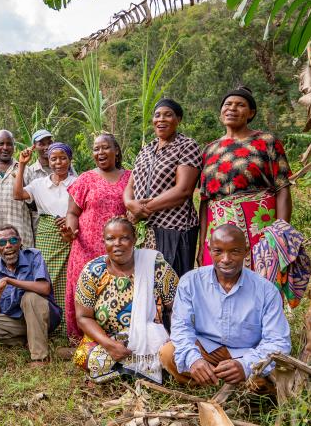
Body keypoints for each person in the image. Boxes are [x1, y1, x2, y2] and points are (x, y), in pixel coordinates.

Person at [160, 224, 291, 394]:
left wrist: (246, 366)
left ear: (246, 251)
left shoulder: (266, 290)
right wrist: (194, 360)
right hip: (206, 351)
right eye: (218, 251)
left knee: (274, 372)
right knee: (168, 353)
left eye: (235, 252)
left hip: (248, 353)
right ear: (209, 250)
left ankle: (237, 384)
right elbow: (181, 327)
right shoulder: (190, 282)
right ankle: (216, 382)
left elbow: (278, 341)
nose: (226, 259)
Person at [73, 217, 178, 383]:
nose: (117, 243)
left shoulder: (155, 265)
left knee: (170, 354)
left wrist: (176, 339)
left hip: (149, 338)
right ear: (104, 241)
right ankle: (140, 369)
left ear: (134, 239)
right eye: (111, 238)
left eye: (124, 238)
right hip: (107, 339)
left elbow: (177, 308)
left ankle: (130, 369)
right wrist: (109, 345)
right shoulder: (93, 271)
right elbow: (83, 317)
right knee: (85, 357)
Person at [198, 86, 292, 269]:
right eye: (227, 104)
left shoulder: (266, 141)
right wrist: (203, 244)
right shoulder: (209, 150)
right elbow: (204, 201)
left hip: (260, 226)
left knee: (263, 280)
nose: (232, 108)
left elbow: (283, 190)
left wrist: (280, 234)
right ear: (221, 112)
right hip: (218, 229)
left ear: (251, 113)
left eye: (240, 105)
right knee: (220, 287)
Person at [124, 98, 201, 279]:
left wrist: (143, 210)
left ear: (178, 119)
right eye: (157, 115)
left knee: (171, 285)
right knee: (146, 286)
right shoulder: (146, 150)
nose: (161, 119)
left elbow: (183, 190)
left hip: (174, 228)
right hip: (145, 229)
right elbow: (130, 184)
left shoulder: (187, 146)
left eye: (168, 115)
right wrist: (129, 204)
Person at [64, 133, 131, 340]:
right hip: (85, 248)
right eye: (96, 149)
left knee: (115, 292)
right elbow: (72, 213)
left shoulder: (130, 177)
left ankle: (113, 337)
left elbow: (134, 212)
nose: (100, 152)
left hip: (117, 249)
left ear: (116, 150)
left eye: (105, 147)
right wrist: (71, 230)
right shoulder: (85, 178)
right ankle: (80, 341)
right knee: (84, 293)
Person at [0, 224, 61, 367]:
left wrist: (9, 281)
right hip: (18, 322)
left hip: (45, 317)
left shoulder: (34, 256)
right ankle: (30, 339)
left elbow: (44, 288)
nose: (8, 246)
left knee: (30, 297)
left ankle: (40, 358)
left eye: (12, 241)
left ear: (20, 242)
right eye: (2, 242)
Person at [14, 142, 75, 336]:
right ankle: (46, 326)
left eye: (63, 158)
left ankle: (67, 327)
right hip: (47, 233)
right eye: (54, 158)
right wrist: (22, 165)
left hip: (71, 233)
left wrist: (71, 218)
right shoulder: (39, 184)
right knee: (46, 277)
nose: (58, 162)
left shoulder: (78, 181)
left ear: (69, 160)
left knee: (69, 279)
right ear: (48, 161)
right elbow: (17, 194)